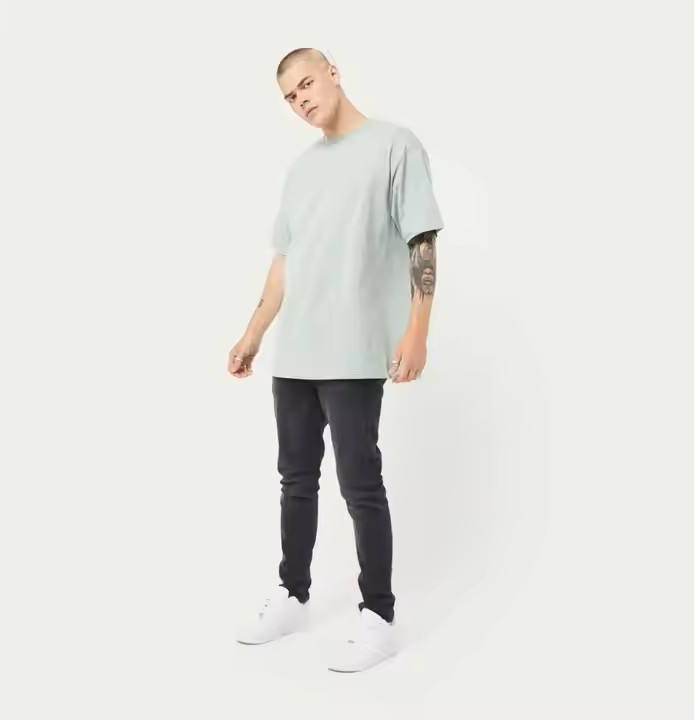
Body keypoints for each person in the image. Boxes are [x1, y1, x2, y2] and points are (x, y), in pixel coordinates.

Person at [227, 47, 444, 672]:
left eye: (306, 84)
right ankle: (292, 594)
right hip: (295, 354)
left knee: (360, 484)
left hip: (353, 352)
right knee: (295, 481)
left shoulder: (394, 145)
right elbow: (283, 264)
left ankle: (379, 614)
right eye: (290, 97)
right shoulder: (301, 171)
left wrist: (417, 332)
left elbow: (422, 242)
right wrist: (252, 335)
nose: (301, 100)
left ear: (333, 73)